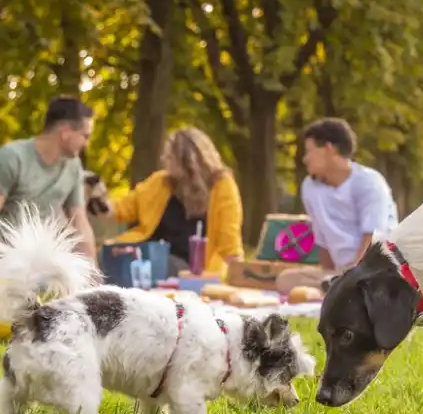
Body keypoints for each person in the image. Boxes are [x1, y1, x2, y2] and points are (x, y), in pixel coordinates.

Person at [92, 127, 245, 277]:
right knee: (99, 258)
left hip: (189, 267)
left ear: (189, 161)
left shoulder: (221, 186)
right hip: (147, 253)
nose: (163, 159)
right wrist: (98, 201)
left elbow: (229, 239)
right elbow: (123, 209)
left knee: (157, 266)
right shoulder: (160, 182)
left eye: (170, 157)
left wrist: (240, 275)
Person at [275, 117, 399, 294]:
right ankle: (337, 289)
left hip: (375, 269)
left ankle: (343, 290)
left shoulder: (369, 182)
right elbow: (322, 239)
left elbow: (372, 240)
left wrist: (353, 274)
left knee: (366, 282)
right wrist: (327, 274)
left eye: (309, 151)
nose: (305, 159)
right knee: (285, 280)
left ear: (328, 149)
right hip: (339, 274)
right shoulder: (310, 187)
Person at [0, 95, 97, 261]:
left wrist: (94, 273)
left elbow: (80, 221)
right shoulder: (13, 157)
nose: (86, 144)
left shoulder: (73, 167)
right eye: (85, 136)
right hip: (6, 258)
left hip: (41, 262)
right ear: (66, 132)